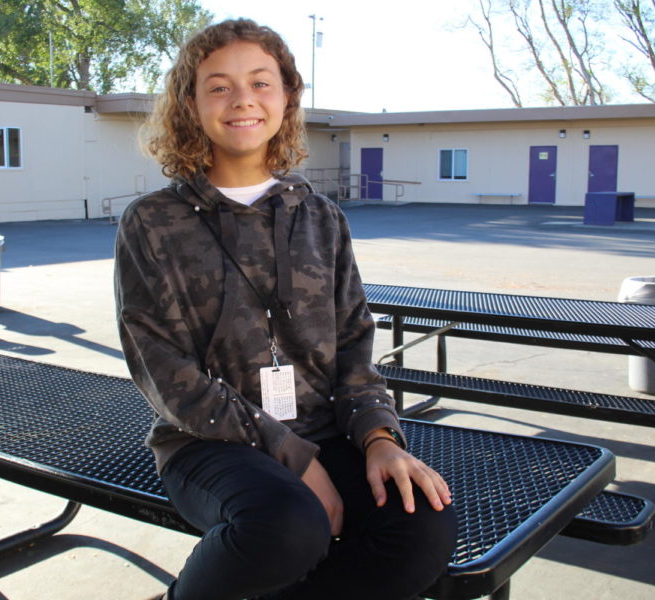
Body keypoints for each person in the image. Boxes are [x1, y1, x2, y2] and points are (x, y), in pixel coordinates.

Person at [114, 18, 457, 600]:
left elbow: (354, 343)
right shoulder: (152, 222)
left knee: (421, 522)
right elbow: (165, 372)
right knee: (289, 526)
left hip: (327, 427)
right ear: (190, 104)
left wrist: (379, 438)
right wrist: (292, 458)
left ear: (287, 96)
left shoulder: (321, 217)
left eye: (261, 82)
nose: (242, 99)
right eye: (218, 86)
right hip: (208, 443)